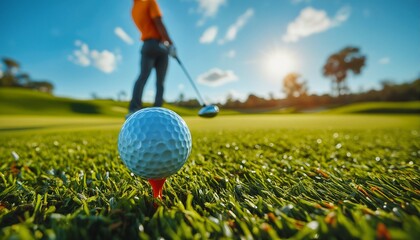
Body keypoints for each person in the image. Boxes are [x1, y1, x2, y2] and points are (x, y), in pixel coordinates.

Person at [128, 0, 177, 118]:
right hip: (159, 45)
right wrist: (170, 43)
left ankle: (133, 109)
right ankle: (158, 111)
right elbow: (158, 22)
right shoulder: (150, 1)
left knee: (142, 76)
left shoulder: (133, 9)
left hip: (147, 46)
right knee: (160, 82)